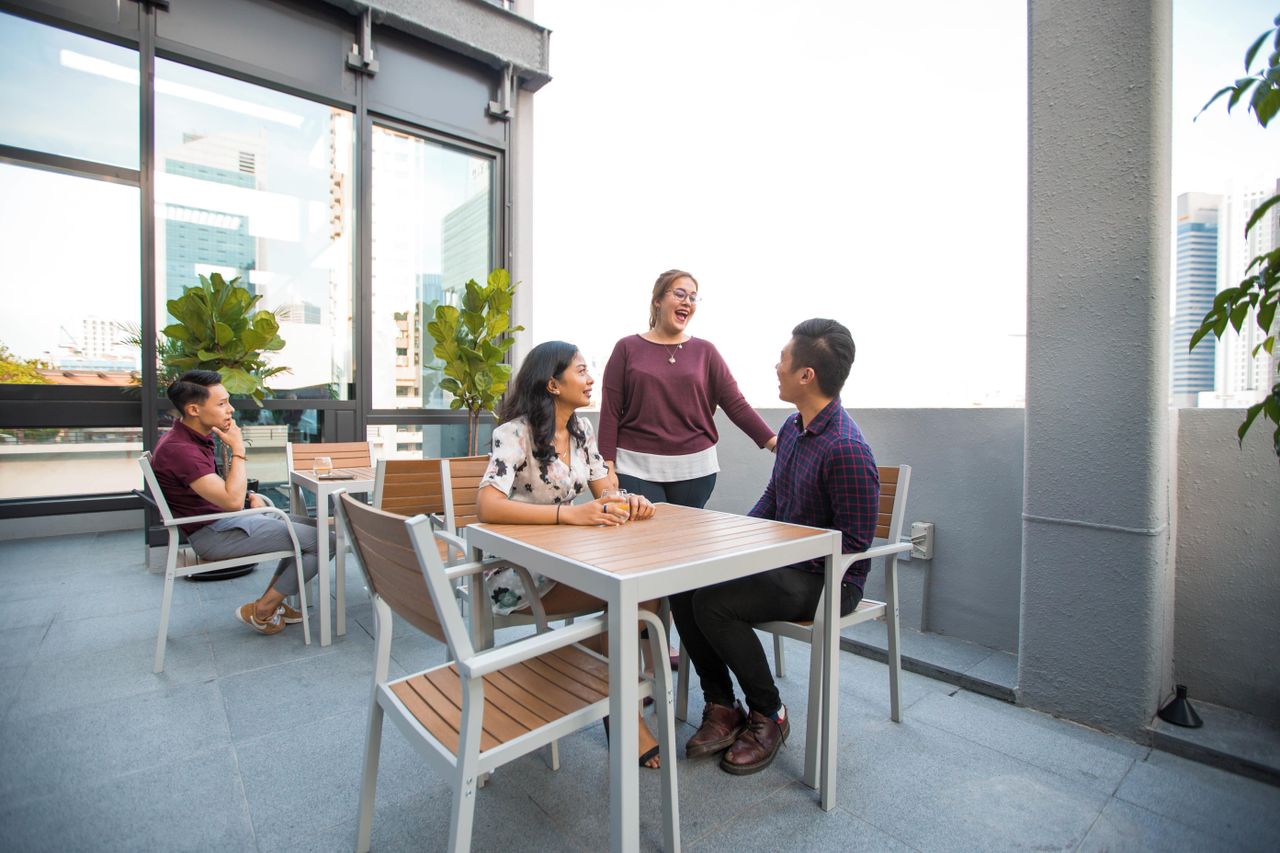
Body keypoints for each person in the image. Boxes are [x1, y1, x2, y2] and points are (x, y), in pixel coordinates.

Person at [672, 318, 880, 775]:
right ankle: (722, 706)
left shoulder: (846, 448)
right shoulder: (792, 428)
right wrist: (736, 540)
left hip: (828, 579)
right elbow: (774, 499)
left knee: (715, 603)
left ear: (807, 375)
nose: (777, 366)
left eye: (784, 360)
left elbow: (855, 542)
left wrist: (774, 554)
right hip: (784, 565)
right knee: (684, 587)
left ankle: (770, 714)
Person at [476, 340, 665, 767]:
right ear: (552, 384)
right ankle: (623, 709)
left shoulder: (582, 432)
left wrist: (629, 501)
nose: (590, 378)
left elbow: (606, 493)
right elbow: (486, 505)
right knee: (627, 596)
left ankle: (612, 694)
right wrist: (569, 516)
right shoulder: (513, 433)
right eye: (581, 370)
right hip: (516, 574)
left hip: (568, 563)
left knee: (641, 589)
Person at [150, 370, 334, 635]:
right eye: (222, 403)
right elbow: (232, 501)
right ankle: (263, 610)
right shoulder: (180, 450)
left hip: (222, 522)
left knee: (312, 527)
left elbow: (225, 497)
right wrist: (238, 448)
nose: (231, 409)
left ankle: (271, 603)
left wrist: (251, 507)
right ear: (193, 409)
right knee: (322, 542)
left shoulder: (187, 439)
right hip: (214, 534)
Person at [597, 269, 777, 509]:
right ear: (657, 300)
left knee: (688, 542)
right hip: (635, 467)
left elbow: (736, 404)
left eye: (693, 297)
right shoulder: (627, 348)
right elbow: (610, 411)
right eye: (680, 294)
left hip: (696, 470)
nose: (687, 302)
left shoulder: (706, 352)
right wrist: (606, 465)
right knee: (645, 541)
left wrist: (775, 443)